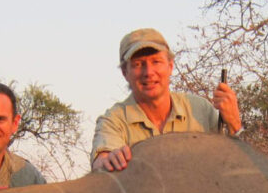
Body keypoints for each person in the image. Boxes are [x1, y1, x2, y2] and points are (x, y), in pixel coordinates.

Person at [91, 28, 242, 172]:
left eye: (156, 62)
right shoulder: (113, 121)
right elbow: (102, 160)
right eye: (138, 64)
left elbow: (238, 165)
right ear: (125, 72)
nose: (148, 72)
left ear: (170, 66)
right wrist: (108, 161)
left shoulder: (201, 109)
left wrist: (234, 124)